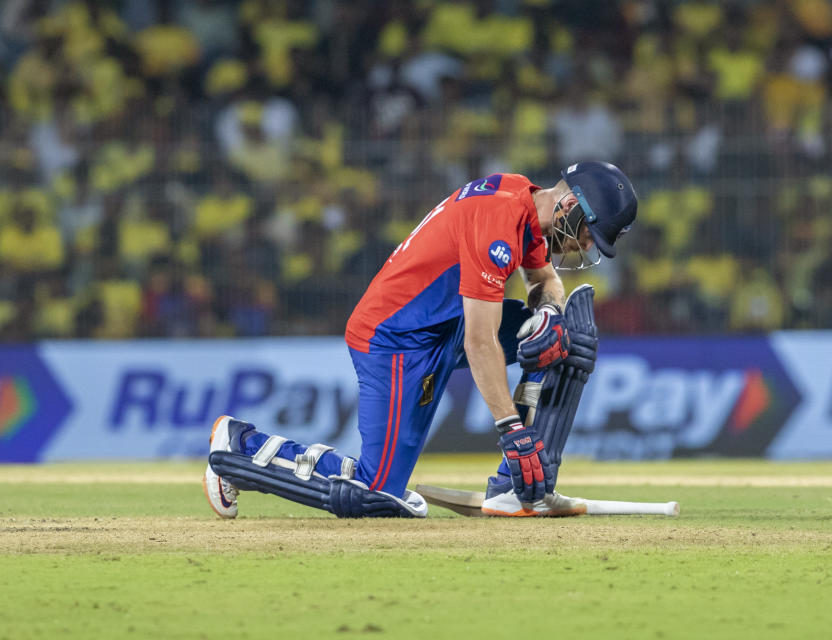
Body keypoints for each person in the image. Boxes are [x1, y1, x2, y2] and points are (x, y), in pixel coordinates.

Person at [204, 161, 637, 518]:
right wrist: (510, 429)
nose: (583, 245)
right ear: (568, 206)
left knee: (562, 339)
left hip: (438, 328)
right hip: (396, 339)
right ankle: (240, 447)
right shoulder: (498, 220)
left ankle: (517, 487)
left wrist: (547, 313)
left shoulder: (521, 200)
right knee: (375, 493)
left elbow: (544, 279)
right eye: (587, 233)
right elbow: (480, 341)